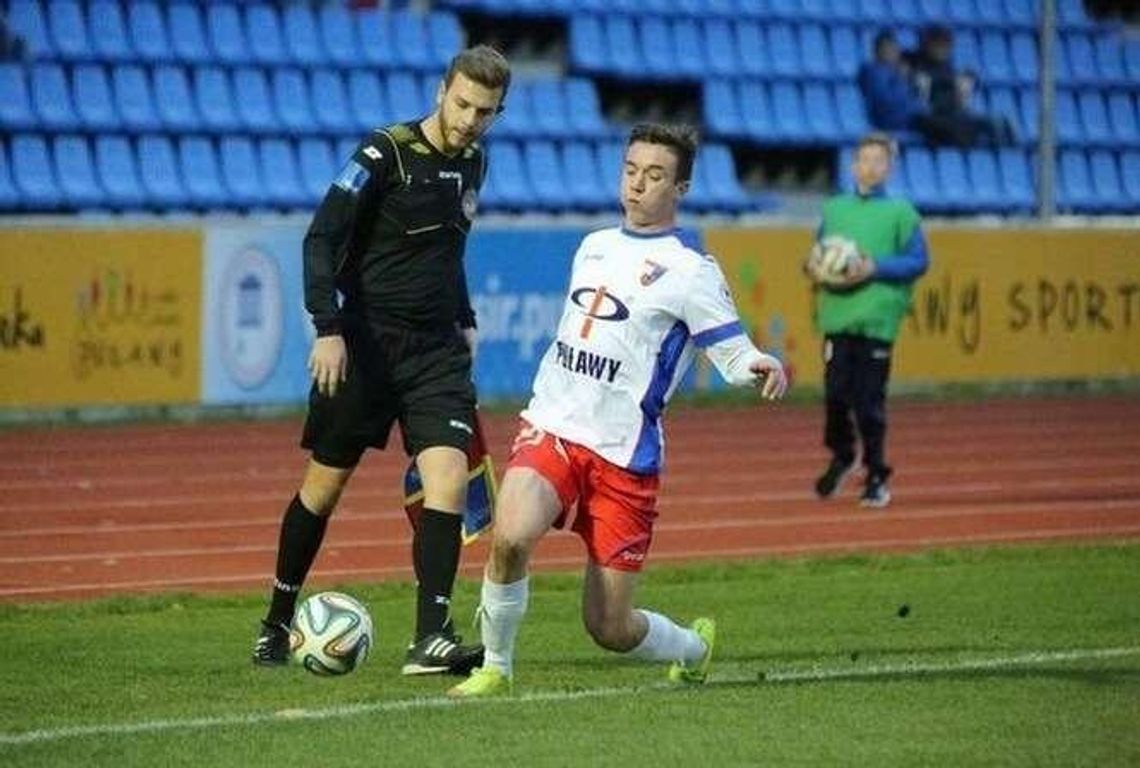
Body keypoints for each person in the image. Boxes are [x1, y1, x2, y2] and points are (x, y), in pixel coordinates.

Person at [447, 123, 789, 698]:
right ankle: (496, 669)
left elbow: (729, 346)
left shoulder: (691, 269)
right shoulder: (594, 245)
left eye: (655, 176)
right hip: (553, 426)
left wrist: (757, 362)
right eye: (631, 170)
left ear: (680, 187)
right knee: (509, 539)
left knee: (608, 626)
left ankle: (693, 646)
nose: (637, 185)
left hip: (624, 454)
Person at [251, 45, 511, 676]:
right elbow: (321, 238)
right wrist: (328, 328)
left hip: (436, 353)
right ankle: (276, 623)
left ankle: (432, 638)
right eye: (462, 104)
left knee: (448, 476)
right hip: (365, 345)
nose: (470, 120)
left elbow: (449, 253)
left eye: (485, 111)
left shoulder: (475, 162)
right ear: (441, 88)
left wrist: (466, 318)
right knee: (325, 486)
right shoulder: (383, 153)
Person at [806, 132, 929, 508]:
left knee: (869, 402)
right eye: (865, 159)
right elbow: (820, 255)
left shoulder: (902, 213)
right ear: (853, 164)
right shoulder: (834, 209)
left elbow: (918, 261)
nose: (871, 166)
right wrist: (814, 266)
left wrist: (875, 267)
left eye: (879, 160)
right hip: (837, 316)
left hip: (877, 319)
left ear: (889, 167)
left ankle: (876, 474)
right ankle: (843, 454)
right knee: (835, 396)